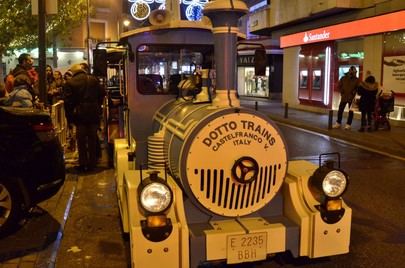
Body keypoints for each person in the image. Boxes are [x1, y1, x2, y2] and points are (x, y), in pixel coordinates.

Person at [63, 63, 105, 172]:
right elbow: (102, 93)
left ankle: (83, 163)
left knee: (81, 139)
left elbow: (68, 102)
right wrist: (96, 105)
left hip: (80, 114)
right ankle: (93, 163)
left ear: (73, 72)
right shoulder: (94, 80)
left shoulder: (70, 82)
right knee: (92, 137)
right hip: (93, 112)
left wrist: (70, 118)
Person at [333, 66, 360, 130]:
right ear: (350, 71)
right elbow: (339, 86)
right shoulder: (343, 78)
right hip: (344, 97)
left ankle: (348, 124)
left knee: (351, 111)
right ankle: (338, 123)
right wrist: (342, 91)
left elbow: (357, 88)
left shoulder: (356, 80)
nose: (354, 73)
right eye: (353, 71)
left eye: (355, 72)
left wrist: (353, 92)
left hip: (351, 98)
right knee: (340, 110)